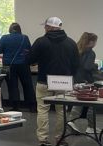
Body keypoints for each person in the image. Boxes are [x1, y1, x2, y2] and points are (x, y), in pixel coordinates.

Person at [26, 16, 79, 146]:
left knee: (43, 110)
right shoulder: (71, 43)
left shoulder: (41, 41)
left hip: (45, 81)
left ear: (49, 27)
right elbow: (76, 64)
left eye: (45, 26)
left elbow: (29, 60)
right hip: (64, 82)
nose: (44, 28)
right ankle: (60, 139)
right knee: (62, 111)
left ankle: (43, 140)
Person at [0, 23, 35, 112]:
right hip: (23, 64)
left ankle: (15, 107)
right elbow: (29, 50)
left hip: (9, 65)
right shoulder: (25, 37)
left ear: (10, 29)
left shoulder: (5, 37)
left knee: (12, 86)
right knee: (27, 85)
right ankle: (32, 106)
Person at [67, 32, 98, 134]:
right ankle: (90, 127)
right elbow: (87, 67)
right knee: (91, 105)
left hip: (76, 80)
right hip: (86, 81)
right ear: (92, 42)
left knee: (78, 102)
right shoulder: (91, 53)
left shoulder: (76, 50)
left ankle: (71, 121)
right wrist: (95, 66)